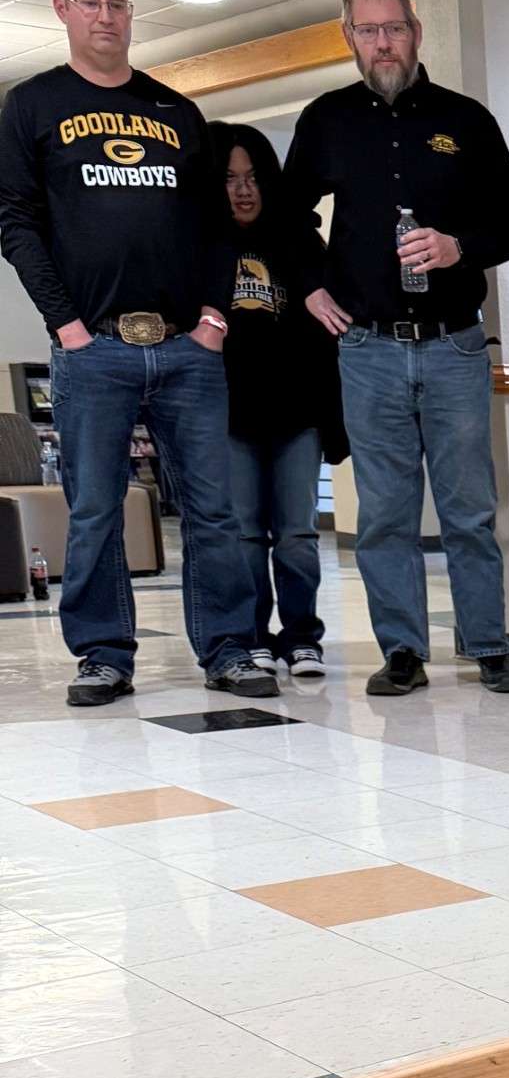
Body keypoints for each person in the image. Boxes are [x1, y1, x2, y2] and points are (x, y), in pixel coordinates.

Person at [0, 0, 277, 707]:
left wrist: (215, 320)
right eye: (89, 3)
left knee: (215, 510)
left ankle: (228, 648)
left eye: (117, 4)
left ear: (131, 12)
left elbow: (219, 228)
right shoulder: (32, 107)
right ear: (61, 9)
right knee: (94, 511)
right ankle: (102, 656)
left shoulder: (175, 112)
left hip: (188, 350)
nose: (106, 18)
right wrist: (67, 326)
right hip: (95, 349)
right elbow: (16, 224)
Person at [286, 0, 509, 697]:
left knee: (468, 511)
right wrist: (310, 287)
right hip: (367, 350)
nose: (383, 43)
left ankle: (489, 646)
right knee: (387, 516)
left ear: (416, 31)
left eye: (394, 27)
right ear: (349, 39)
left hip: (455, 344)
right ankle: (402, 652)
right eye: (368, 31)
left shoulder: (468, 119)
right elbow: (284, 217)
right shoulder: (326, 120)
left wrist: (459, 246)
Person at [210, 121, 346, 679]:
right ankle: (249, 636)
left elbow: (330, 329)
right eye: (229, 179)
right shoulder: (200, 245)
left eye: (253, 178)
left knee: (295, 534)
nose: (243, 190)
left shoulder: (299, 242)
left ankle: (301, 635)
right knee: (243, 533)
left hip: (297, 410)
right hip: (228, 414)